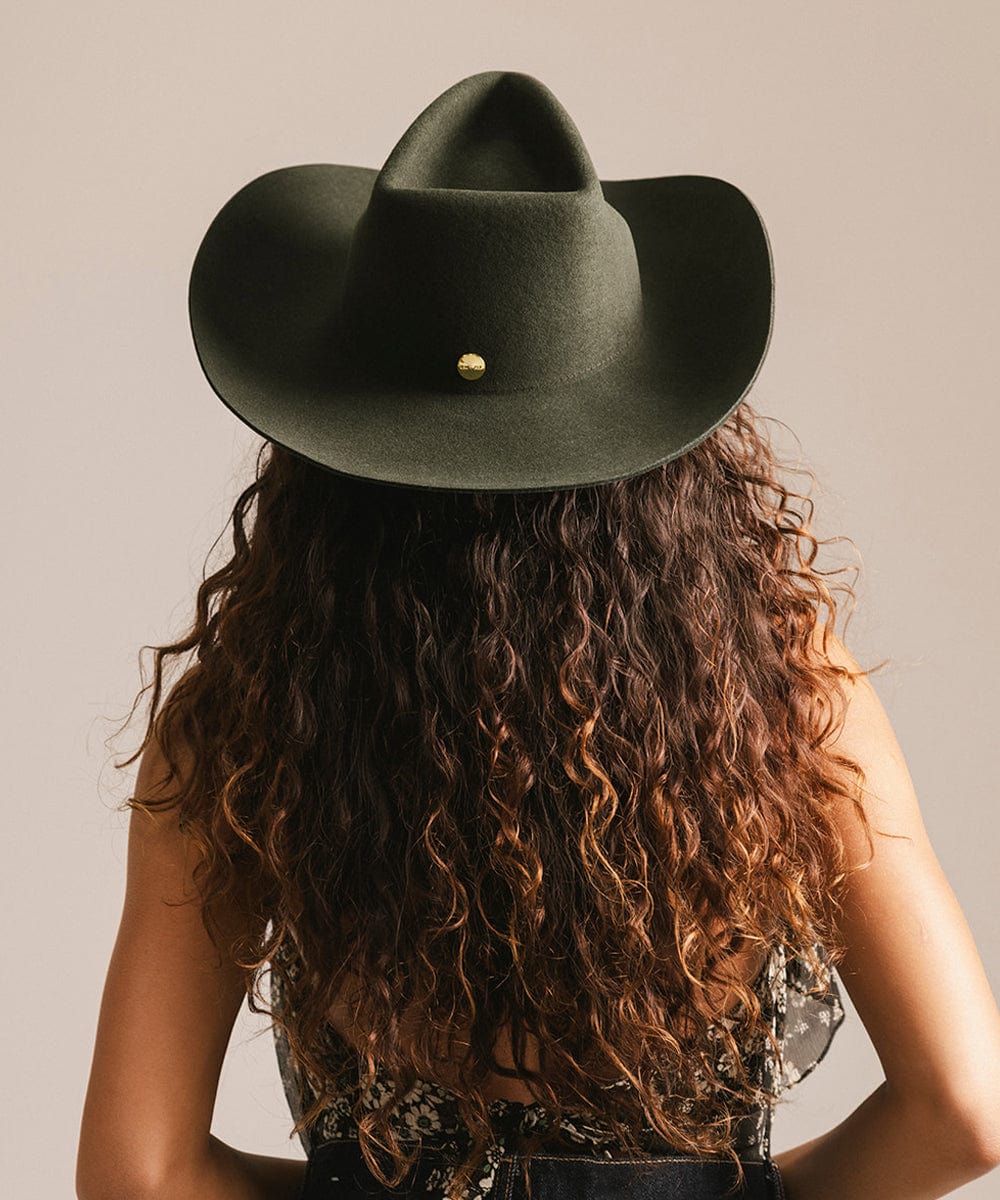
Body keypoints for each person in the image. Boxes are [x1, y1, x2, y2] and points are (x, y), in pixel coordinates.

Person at [77, 70, 1000, 1200]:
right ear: (657, 436)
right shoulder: (785, 696)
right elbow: (965, 1112)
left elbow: (140, 1175)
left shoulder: (247, 720)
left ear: (327, 440)